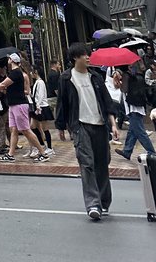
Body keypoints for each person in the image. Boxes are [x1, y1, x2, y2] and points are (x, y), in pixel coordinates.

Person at [56, 41, 119, 221]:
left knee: (102, 163)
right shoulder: (66, 78)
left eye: (88, 54)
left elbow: (107, 102)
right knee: (87, 163)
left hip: (100, 126)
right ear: (76, 57)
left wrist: (113, 124)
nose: (88, 57)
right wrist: (61, 126)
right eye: (85, 54)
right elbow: (62, 103)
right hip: (80, 125)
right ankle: (93, 204)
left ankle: (104, 201)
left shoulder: (96, 77)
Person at [0, 52, 48, 163]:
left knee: (25, 130)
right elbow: (9, 88)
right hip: (13, 105)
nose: (8, 61)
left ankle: (43, 153)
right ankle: (11, 154)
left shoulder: (15, 73)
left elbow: (3, 84)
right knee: (14, 130)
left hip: (19, 105)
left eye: (9, 59)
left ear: (11, 60)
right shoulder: (15, 73)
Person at [114, 59, 156, 161]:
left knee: (140, 132)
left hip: (133, 107)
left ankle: (152, 152)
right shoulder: (135, 74)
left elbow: (124, 90)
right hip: (139, 105)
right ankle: (127, 151)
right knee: (132, 131)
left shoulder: (126, 76)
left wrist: (119, 83)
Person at [30, 65, 55, 156]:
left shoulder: (40, 82)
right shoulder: (37, 82)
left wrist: (38, 106)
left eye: (32, 71)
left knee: (45, 128)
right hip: (38, 107)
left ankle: (50, 148)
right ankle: (42, 144)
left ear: (35, 71)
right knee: (33, 126)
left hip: (42, 107)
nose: (30, 73)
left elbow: (40, 96)